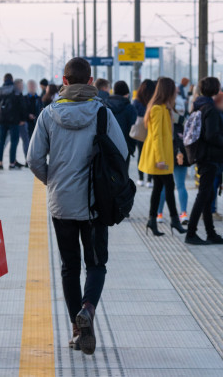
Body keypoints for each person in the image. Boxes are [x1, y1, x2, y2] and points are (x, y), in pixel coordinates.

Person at [27, 58, 128, 356]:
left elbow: (34, 159)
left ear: (64, 81)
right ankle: (88, 308)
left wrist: (53, 181)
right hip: (96, 204)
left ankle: (76, 330)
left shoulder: (47, 114)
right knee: (96, 264)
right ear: (92, 81)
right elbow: (121, 154)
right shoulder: (102, 114)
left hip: (62, 203)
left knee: (69, 267)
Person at [185, 77, 223, 246]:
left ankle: (210, 233)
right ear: (215, 89)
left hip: (203, 156)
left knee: (208, 195)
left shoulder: (198, 105)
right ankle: (191, 233)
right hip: (210, 157)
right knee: (203, 195)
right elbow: (211, 135)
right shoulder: (210, 109)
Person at [138, 77, 188, 237]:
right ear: (168, 91)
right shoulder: (157, 109)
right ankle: (174, 220)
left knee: (159, 188)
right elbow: (157, 137)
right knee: (169, 186)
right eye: (173, 90)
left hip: (161, 155)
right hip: (159, 157)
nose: (175, 93)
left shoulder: (162, 108)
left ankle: (152, 221)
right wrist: (160, 159)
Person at [155, 95, 190, 225]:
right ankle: (184, 213)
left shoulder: (163, 116)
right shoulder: (184, 121)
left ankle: (159, 214)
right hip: (181, 156)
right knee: (181, 185)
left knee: (163, 186)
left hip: (165, 155)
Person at [0, 73, 25, 170]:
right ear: (12, 80)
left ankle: (0, 163)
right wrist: (22, 119)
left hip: (2, 121)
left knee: (1, 141)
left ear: (4, 80)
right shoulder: (16, 90)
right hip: (14, 121)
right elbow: (22, 106)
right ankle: (12, 163)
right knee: (14, 141)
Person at [107, 80, 138, 167]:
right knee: (122, 177)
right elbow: (133, 130)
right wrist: (131, 149)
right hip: (124, 148)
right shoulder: (130, 108)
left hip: (107, 147)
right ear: (127, 94)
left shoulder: (104, 105)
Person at [133, 79, 155, 188]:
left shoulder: (137, 100)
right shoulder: (154, 100)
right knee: (151, 154)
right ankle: (150, 180)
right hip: (151, 130)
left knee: (140, 154)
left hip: (140, 131)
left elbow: (135, 115)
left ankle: (141, 178)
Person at [14, 78, 31, 167]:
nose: (22, 86)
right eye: (21, 85)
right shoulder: (16, 95)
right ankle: (25, 161)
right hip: (19, 123)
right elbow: (16, 110)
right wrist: (20, 121)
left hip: (22, 122)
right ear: (16, 85)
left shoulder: (19, 94)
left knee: (23, 141)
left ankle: (25, 161)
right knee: (23, 141)